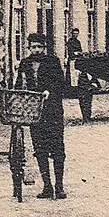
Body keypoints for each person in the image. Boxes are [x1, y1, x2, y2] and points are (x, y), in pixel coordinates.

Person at [15, 33, 71, 199]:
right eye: (34, 47)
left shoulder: (53, 62)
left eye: (40, 47)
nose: (37, 50)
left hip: (53, 111)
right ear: (29, 48)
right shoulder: (25, 63)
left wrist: (50, 91)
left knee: (57, 148)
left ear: (44, 48)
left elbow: (61, 83)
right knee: (40, 149)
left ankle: (59, 186)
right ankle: (47, 186)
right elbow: (19, 84)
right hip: (34, 114)